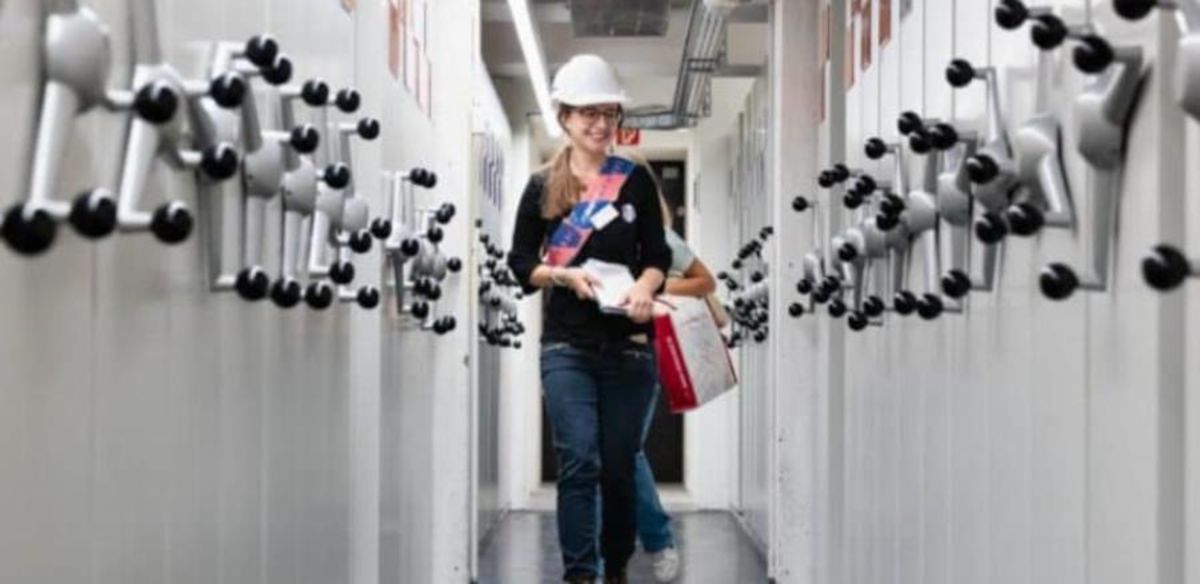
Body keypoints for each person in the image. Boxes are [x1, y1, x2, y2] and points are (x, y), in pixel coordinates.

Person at [507, 54, 672, 584]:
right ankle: (580, 575)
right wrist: (563, 278)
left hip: (628, 348)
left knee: (619, 467)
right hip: (567, 349)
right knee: (579, 462)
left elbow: (658, 256)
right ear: (565, 118)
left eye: (607, 112)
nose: (600, 124)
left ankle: (617, 566)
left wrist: (646, 287)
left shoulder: (636, 181)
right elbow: (520, 264)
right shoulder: (540, 188)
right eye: (587, 113)